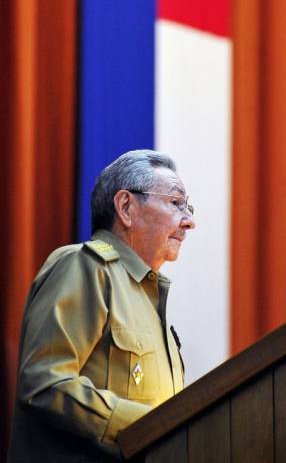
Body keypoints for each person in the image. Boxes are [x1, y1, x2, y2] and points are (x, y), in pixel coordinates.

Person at [8, 150, 195, 462]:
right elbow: (45, 383)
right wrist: (154, 427)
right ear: (125, 207)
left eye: (188, 207)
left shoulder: (148, 295)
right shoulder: (84, 267)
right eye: (176, 203)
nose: (189, 221)